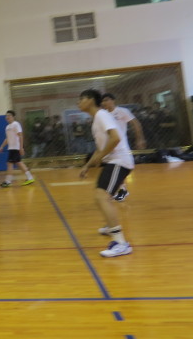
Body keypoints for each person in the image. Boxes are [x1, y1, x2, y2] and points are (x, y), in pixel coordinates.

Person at [78, 89, 134, 258]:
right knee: (100, 197)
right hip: (114, 161)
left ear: (90, 100)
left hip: (119, 160)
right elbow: (100, 148)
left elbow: (115, 138)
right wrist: (87, 165)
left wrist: (101, 157)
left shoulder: (102, 115)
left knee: (101, 196)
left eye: (81, 99)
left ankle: (121, 243)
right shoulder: (97, 119)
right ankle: (112, 227)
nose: (79, 103)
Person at [101, 93, 147, 201]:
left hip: (121, 147)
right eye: (103, 101)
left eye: (107, 100)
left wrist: (140, 139)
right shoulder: (103, 114)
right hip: (109, 146)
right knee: (111, 169)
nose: (104, 103)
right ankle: (121, 189)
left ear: (113, 100)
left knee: (119, 168)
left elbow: (135, 124)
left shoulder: (122, 111)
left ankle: (122, 190)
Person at [0, 110, 35, 187]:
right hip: (11, 148)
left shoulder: (16, 124)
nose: (7, 117)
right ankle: (30, 177)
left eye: (9, 115)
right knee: (19, 163)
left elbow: (20, 136)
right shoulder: (7, 127)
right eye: (6, 115)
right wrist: (2, 146)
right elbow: (7, 139)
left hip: (15, 148)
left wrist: (21, 148)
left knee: (9, 163)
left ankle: (8, 181)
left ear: (13, 117)